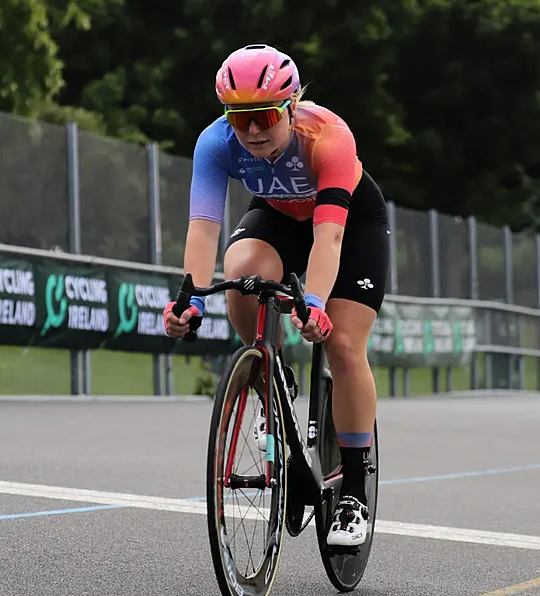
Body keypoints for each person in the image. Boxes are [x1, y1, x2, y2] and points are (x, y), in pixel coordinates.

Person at [162, 43, 390, 548]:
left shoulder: (327, 138)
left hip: (348, 225)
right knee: (241, 273)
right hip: (279, 214)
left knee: (345, 346)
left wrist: (314, 303)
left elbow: (328, 239)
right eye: (241, 120)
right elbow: (203, 229)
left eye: (265, 116)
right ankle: (273, 371)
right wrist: (190, 299)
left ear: (289, 107)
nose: (255, 131)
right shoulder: (215, 143)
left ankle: (352, 489)